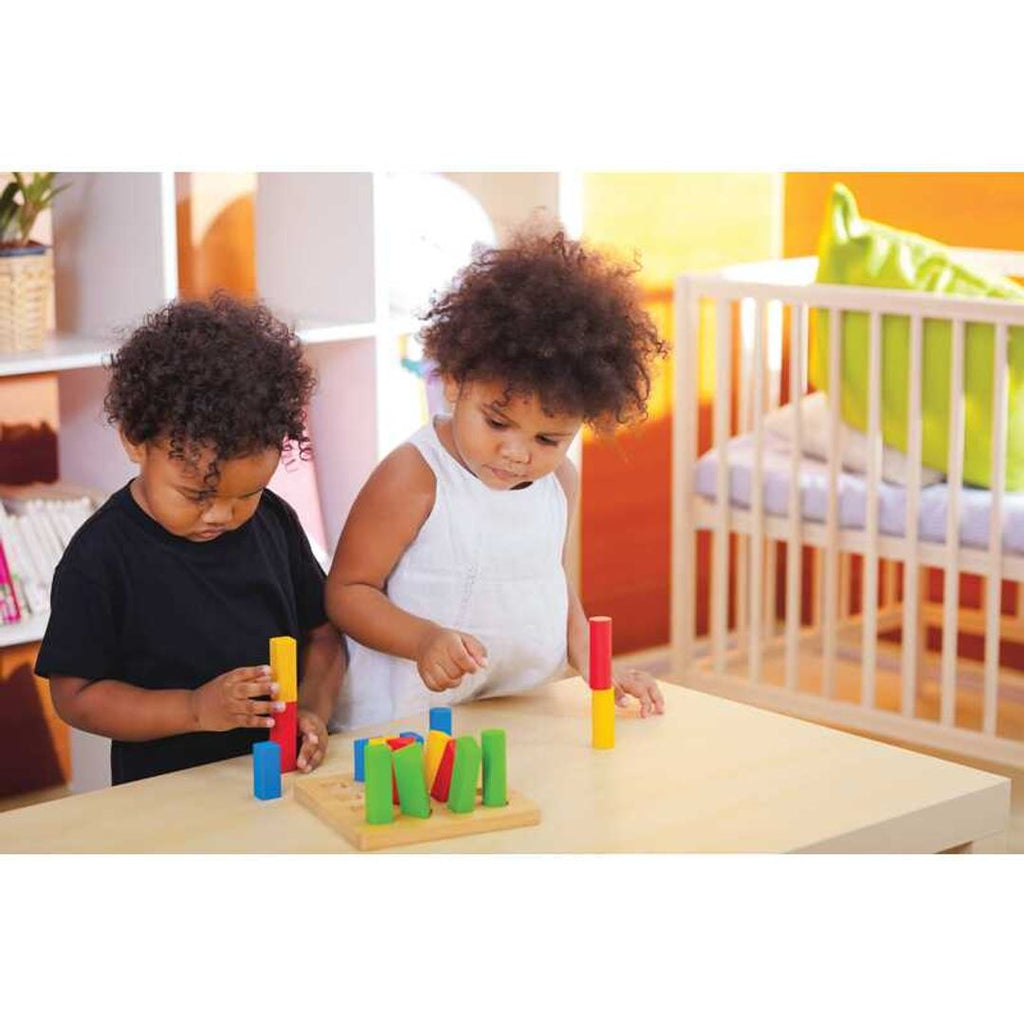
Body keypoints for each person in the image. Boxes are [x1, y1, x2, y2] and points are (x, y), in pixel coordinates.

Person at [327, 229, 668, 730]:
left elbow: (552, 589)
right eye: (497, 422)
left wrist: (601, 671)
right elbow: (347, 592)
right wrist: (422, 639)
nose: (517, 454)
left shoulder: (561, 483)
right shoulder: (415, 476)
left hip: (518, 710)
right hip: (404, 725)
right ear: (456, 381)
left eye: (548, 440)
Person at [36, 294, 344, 785]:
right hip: (167, 793)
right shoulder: (100, 557)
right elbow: (74, 695)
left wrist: (313, 709)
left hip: (281, 781)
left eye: (247, 493)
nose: (221, 513)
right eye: (197, 493)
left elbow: (324, 635)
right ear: (136, 440)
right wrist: (195, 709)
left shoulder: (273, 523)